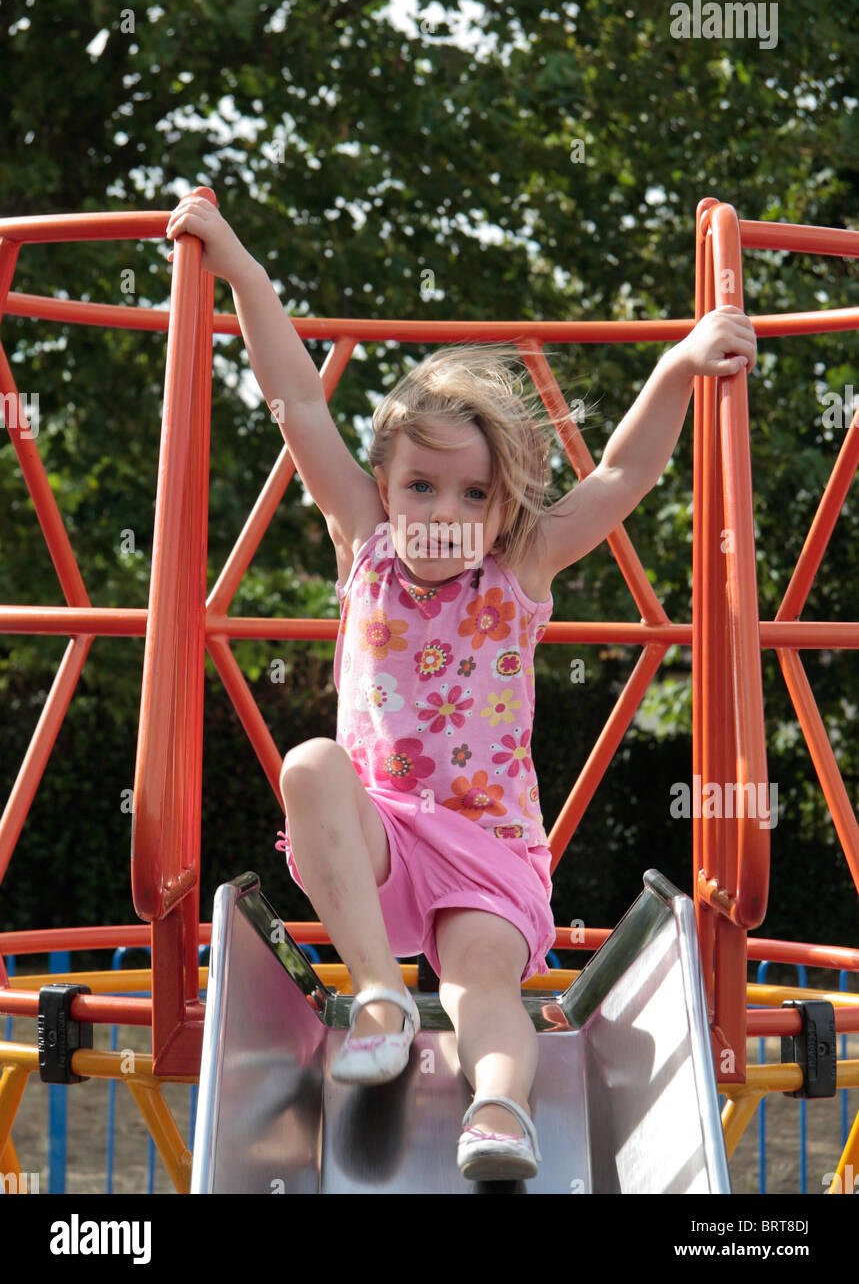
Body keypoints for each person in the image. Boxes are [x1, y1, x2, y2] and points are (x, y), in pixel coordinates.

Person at [165, 193, 757, 1181]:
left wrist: (675, 365)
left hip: (490, 850)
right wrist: (229, 256)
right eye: (422, 486)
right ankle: (378, 995)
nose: (447, 512)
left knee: (486, 984)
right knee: (311, 761)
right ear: (383, 487)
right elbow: (295, 398)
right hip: (383, 841)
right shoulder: (366, 545)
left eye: (476, 492)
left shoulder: (519, 570)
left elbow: (620, 473)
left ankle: (497, 1110)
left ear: (504, 500)